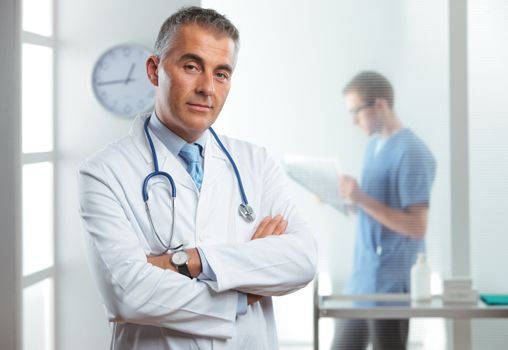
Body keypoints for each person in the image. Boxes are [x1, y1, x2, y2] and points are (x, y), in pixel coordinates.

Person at [78, 6, 317, 350]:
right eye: (191, 66)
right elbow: (126, 294)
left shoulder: (256, 162)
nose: (207, 87)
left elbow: (302, 259)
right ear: (154, 70)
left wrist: (191, 261)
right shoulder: (103, 172)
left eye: (222, 74)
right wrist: (243, 292)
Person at [332, 71, 436, 350]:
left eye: (356, 111)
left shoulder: (412, 152)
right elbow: (374, 211)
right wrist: (344, 200)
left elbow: (416, 226)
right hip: (363, 278)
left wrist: (361, 198)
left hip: (391, 283)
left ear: (380, 104)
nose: (353, 121)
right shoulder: (373, 146)